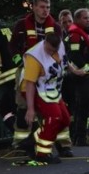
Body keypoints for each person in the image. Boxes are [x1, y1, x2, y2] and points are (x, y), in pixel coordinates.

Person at [20, 27, 73, 165]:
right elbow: (30, 84)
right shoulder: (34, 57)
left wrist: (75, 71)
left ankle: (32, 140)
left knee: (65, 120)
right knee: (54, 117)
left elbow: (64, 61)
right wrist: (30, 109)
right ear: (45, 43)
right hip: (34, 89)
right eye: (49, 50)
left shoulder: (59, 46)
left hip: (50, 88)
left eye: (54, 50)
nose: (52, 53)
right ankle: (42, 153)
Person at [64, 8, 89, 147]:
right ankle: (80, 137)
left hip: (84, 75)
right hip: (80, 76)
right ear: (77, 19)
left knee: (81, 107)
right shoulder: (75, 35)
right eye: (85, 18)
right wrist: (84, 69)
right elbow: (74, 55)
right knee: (81, 107)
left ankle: (80, 135)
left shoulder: (82, 33)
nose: (88, 20)